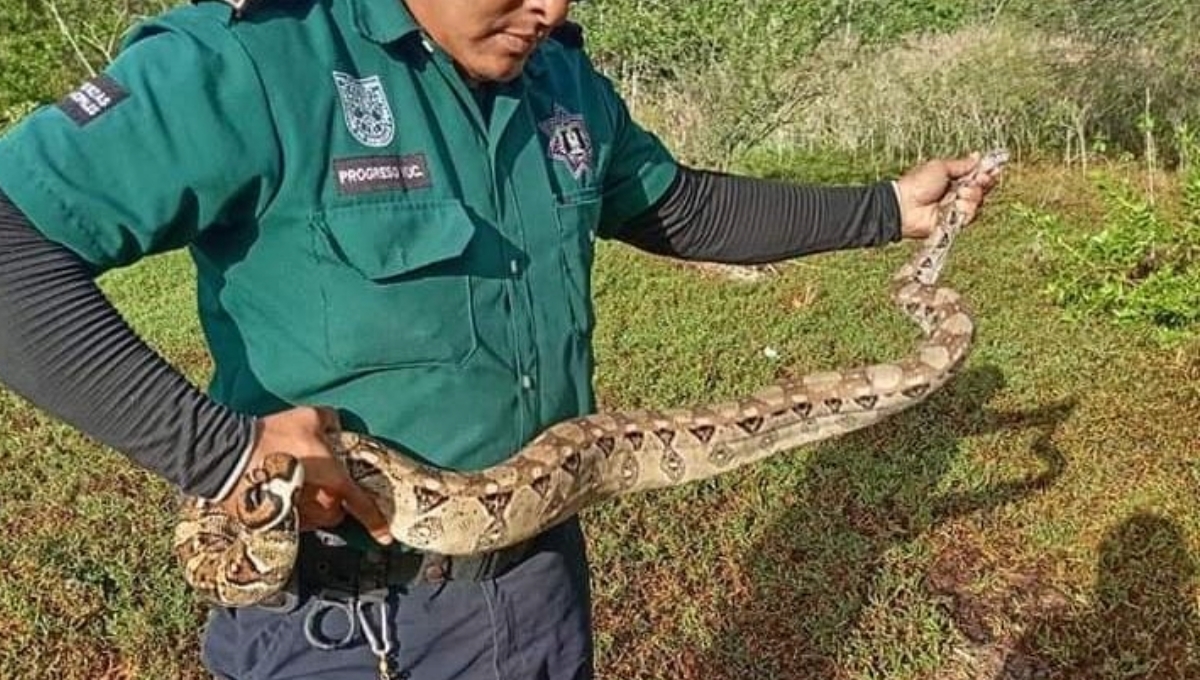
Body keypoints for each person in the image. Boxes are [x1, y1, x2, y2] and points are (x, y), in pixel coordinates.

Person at [0, 0, 997, 678]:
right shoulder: (250, 61)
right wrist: (220, 451)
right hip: (335, 621)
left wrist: (883, 209)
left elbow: (674, 205)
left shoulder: (558, 77)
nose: (550, 8)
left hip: (534, 586)